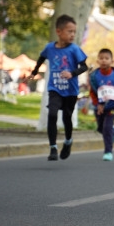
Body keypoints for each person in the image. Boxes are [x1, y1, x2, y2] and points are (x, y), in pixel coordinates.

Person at [25, 14, 88, 161]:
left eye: (74, 32)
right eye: (69, 31)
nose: (72, 35)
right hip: (55, 88)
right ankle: (53, 147)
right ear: (59, 31)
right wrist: (34, 72)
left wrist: (72, 73)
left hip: (70, 90)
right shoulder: (49, 48)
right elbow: (41, 58)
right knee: (52, 114)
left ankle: (68, 141)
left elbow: (84, 67)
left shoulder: (74, 49)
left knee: (67, 118)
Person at [89, 48, 114, 161]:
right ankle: (113, 131)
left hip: (112, 106)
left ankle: (108, 152)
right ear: (98, 61)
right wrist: (98, 104)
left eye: (106, 58)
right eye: (101, 58)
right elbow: (92, 92)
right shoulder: (94, 76)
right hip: (99, 107)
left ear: (112, 61)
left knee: (106, 128)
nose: (104, 60)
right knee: (101, 128)